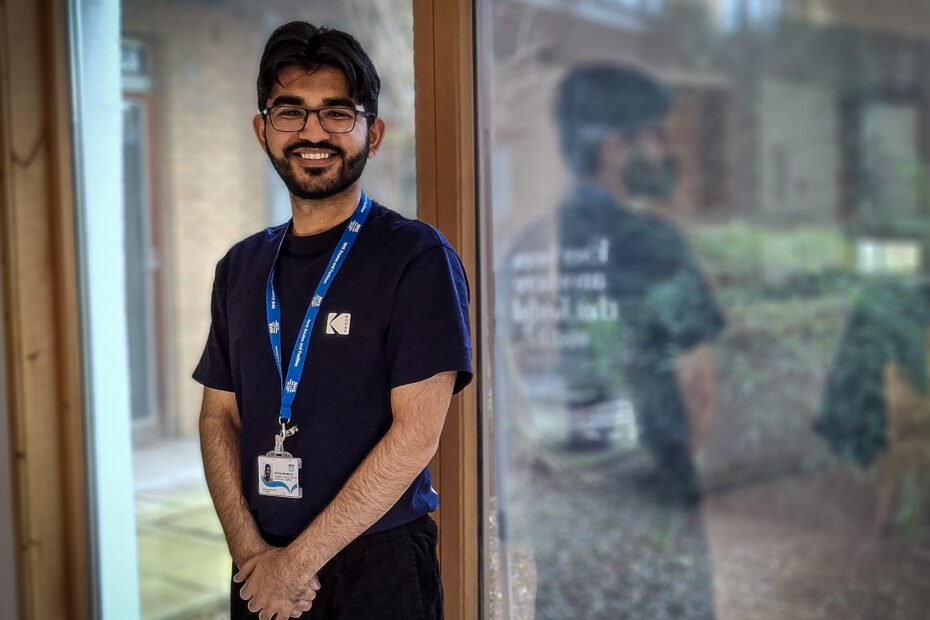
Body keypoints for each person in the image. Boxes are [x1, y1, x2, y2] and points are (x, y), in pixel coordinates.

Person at [194, 22, 472, 620]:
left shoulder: (416, 259)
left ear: (372, 135)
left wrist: (296, 566)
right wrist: (253, 556)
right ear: (262, 130)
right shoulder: (240, 267)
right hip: (258, 566)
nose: (312, 132)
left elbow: (416, 434)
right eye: (289, 111)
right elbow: (219, 417)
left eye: (336, 113)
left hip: (379, 566)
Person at [501, 63, 725, 618]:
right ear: (612, 147)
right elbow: (698, 385)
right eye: (650, 133)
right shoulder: (654, 244)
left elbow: (515, 374)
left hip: (564, 508)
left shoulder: (528, 247)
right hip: (651, 510)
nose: (661, 148)